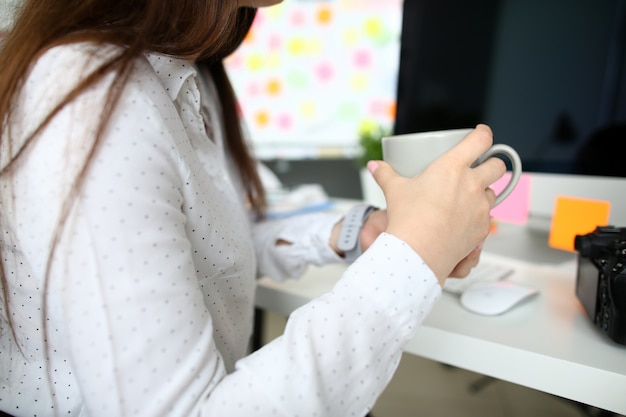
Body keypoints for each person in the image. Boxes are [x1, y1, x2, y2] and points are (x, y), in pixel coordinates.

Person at [0, 0, 506, 416]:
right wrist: (416, 253)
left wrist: (359, 233)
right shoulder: (91, 98)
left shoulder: (185, 76)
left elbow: (208, 243)